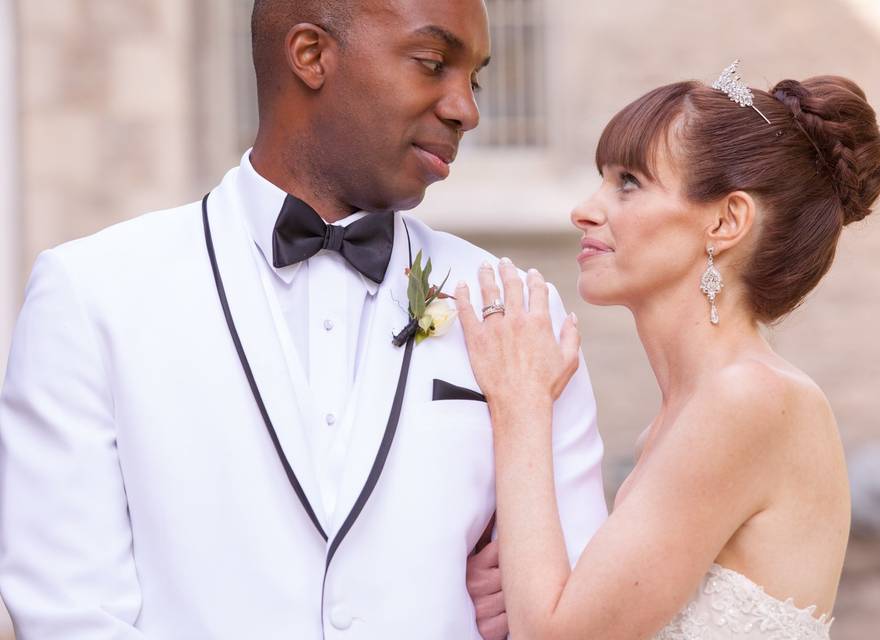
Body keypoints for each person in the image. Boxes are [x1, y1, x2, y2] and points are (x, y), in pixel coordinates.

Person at [0, 1, 607, 637]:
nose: (466, 109)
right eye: (433, 64)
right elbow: (69, 614)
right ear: (311, 55)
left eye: (474, 78)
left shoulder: (516, 309)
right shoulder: (94, 295)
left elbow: (576, 601)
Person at [460, 67, 880, 639]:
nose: (584, 210)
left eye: (629, 182)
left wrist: (519, 401)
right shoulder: (683, 418)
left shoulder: (749, 400)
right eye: (603, 179)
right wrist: (521, 583)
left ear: (725, 220)